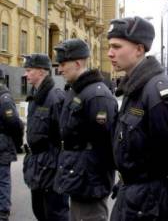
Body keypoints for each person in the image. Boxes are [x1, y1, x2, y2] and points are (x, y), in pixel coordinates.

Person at [107, 16, 168, 221]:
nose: (110, 53)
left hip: (151, 206)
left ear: (139, 49)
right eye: (109, 46)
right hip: (132, 196)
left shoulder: (158, 93)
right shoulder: (135, 89)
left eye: (116, 46)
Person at [53, 38, 118, 221]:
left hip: (90, 182)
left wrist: (95, 181)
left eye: (63, 63)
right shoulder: (77, 90)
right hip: (78, 177)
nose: (60, 69)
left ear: (78, 63)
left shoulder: (97, 95)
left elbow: (105, 144)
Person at [22, 54, 69, 221]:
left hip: (52, 166)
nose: (26, 75)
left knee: (56, 214)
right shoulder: (36, 96)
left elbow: (64, 137)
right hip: (38, 165)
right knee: (40, 211)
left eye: (29, 70)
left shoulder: (55, 97)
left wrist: (60, 169)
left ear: (42, 72)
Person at [0, 69, 23, 221]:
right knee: (3, 179)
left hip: (2, 142)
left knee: (2, 178)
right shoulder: (5, 98)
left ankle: (2, 210)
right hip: (3, 143)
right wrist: (18, 142)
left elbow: (14, 123)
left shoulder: (4, 98)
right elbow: (15, 124)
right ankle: (2, 211)